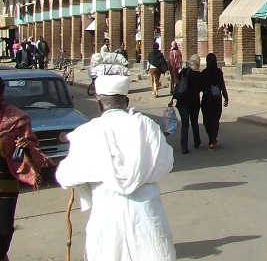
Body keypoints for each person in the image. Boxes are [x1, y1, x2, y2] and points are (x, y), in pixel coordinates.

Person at [55, 73, 176, 260]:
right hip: (147, 217)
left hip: (106, 219)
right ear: (126, 102)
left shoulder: (88, 133)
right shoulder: (147, 127)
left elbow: (65, 176)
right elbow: (166, 163)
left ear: (100, 105)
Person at [0, 77, 54, 261]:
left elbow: (33, 146)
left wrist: (25, 146)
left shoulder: (17, 118)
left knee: (3, 230)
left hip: (5, 184)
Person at [169, 54, 202, 154]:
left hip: (182, 102)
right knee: (194, 122)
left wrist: (172, 98)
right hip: (194, 103)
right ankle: (197, 141)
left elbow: (178, 85)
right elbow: (201, 88)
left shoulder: (184, 72)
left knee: (185, 124)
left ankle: (184, 146)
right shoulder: (199, 75)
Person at [200, 53, 228, 150]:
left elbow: (201, 87)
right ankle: (213, 139)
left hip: (207, 100)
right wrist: (226, 97)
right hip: (216, 99)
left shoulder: (204, 72)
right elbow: (222, 85)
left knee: (207, 120)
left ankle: (211, 139)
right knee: (215, 120)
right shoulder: (218, 72)